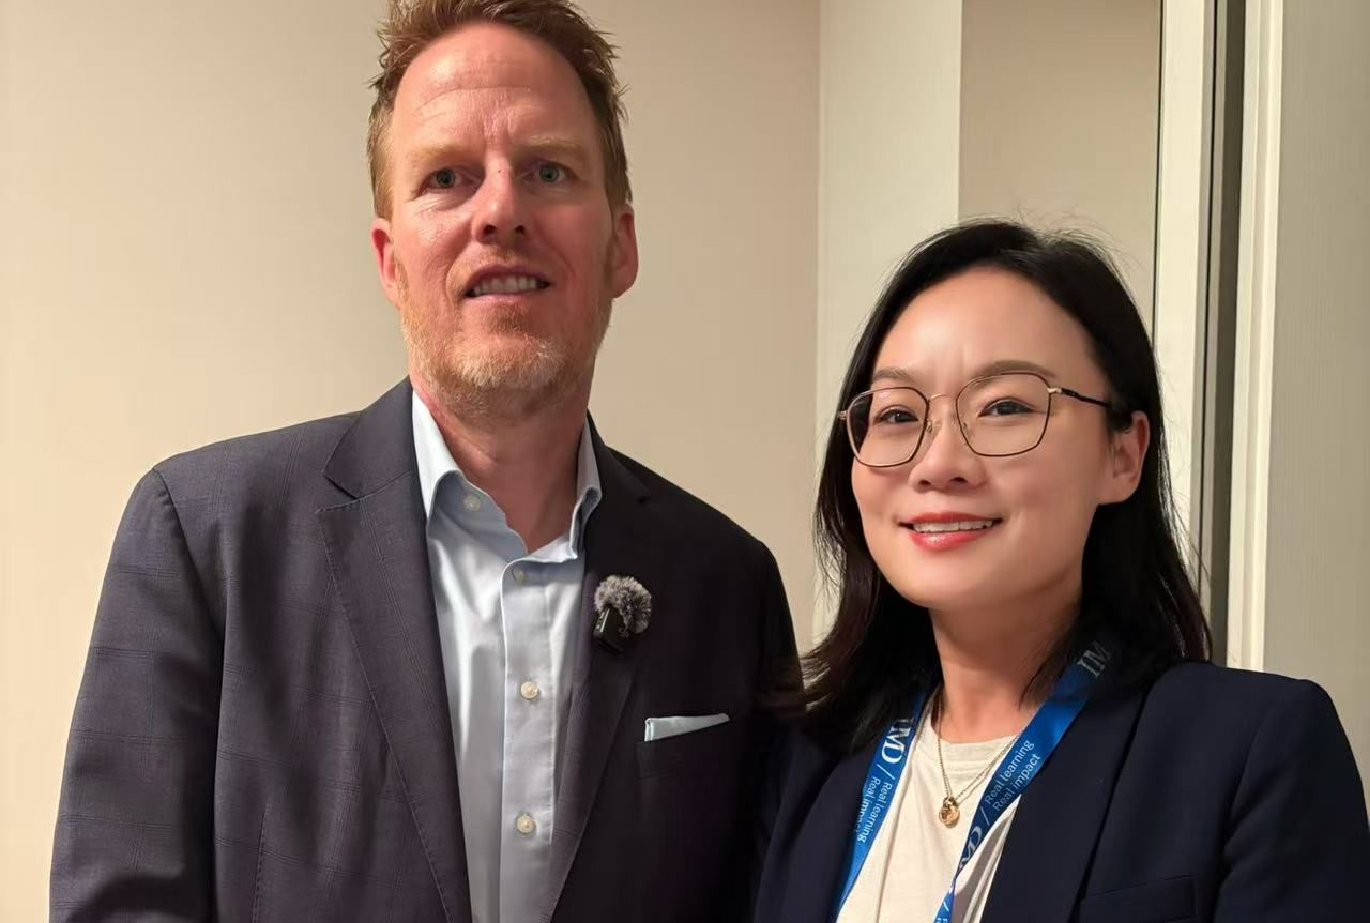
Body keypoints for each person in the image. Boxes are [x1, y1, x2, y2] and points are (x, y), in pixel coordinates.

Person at [50, 2, 796, 920]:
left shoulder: (729, 585)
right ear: (390, 259)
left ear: (621, 245)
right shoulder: (205, 541)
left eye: (549, 170)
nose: (501, 211)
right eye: (447, 177)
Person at [753, 220, 1368, 923]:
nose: (938, 462)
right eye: (897, 414)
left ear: (1123, 455)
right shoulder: (812, 766)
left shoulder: (1251, 752)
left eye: (1005, 407)